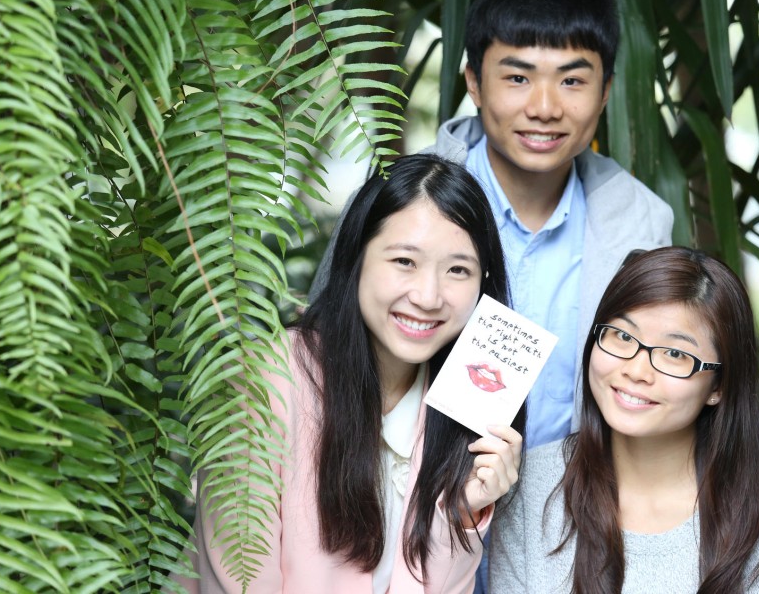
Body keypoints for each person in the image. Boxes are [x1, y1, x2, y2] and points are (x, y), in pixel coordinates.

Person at [314, 0, 673, 451]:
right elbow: (320, 364)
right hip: (399, 505)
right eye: (517, 77)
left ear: (606, 90)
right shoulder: (391, 200)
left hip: (567, 513)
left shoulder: (640, 223)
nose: (545, 108)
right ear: (474, 84)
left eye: (572, 80)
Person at [182, 155, 525, 593]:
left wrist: (459, 516)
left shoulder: (471, 408)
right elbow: (240, 580)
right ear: (356, 257)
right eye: (404, 261)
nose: (428, 295)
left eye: (458, 270)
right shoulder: (265, 382)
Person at [489, 247, 759, 593]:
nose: (637, 370)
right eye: (623, 336)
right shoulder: (531, 486)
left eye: (675, 354)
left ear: (719, 385)